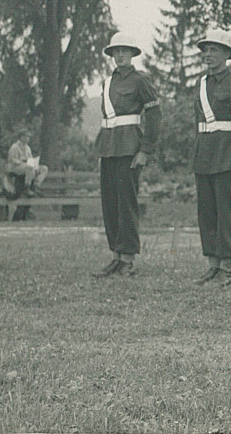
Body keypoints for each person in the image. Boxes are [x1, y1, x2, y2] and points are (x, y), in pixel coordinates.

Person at [92, 32, 161, 278]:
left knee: (126, 202)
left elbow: (154, 116)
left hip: (130, 147)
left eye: (125, 50)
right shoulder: (106, 82)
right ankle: (116, 256)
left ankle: (128, 257)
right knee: (110, 203)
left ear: (133, 53)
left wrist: (146, 150)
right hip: (108, 146)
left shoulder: (141, 80)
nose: (120, 55)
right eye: (116, 51)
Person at [192, 29, 231, 286]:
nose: (209, 55)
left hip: (228, 151)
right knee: (206, 210)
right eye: (206, 50)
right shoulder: (201, 83)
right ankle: (212, 263)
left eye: (215, 50)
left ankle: (228, 266)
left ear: (227, 54)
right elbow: (196, 121)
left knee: (227, 209)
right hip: (205, 152)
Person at [5, 128, 48, 197]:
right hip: (16, 167)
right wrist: (22, 161)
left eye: (28, 137)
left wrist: (34, 163)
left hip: (27, 167)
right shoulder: (15, 147)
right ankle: (27, 187)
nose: (27, 138)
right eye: (25, 136)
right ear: (20, 137)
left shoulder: (28, 148)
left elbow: (30, 159)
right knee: (29, 166)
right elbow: (11, 159)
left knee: (44, 168)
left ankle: (35, 186)